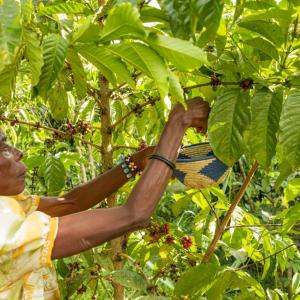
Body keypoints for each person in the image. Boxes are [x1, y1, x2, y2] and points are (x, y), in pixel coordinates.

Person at [0, 98, 209, 299]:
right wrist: (179, 121)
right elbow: (134, 215)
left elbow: (71, 202)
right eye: (3, 148)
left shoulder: (9, 203)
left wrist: (135, 162)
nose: (18, 152)